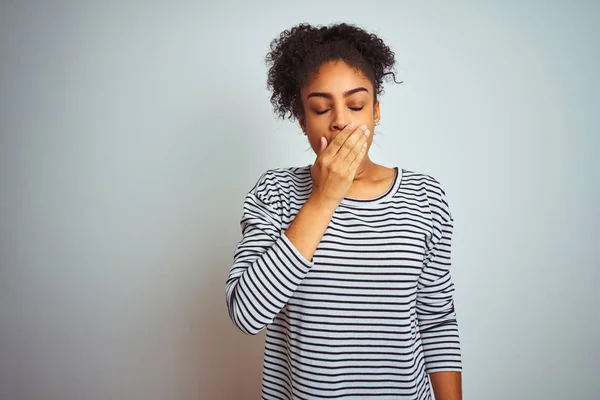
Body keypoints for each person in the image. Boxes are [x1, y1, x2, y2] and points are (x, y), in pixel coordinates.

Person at [225, 22, 462, 400]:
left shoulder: (425, 198)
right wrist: (323, 199)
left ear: (376, 111)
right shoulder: (276, 193)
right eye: (321, 108)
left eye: (355, 104)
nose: (340, 119)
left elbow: (436, 322)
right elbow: (247, 314)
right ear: (303, 121)